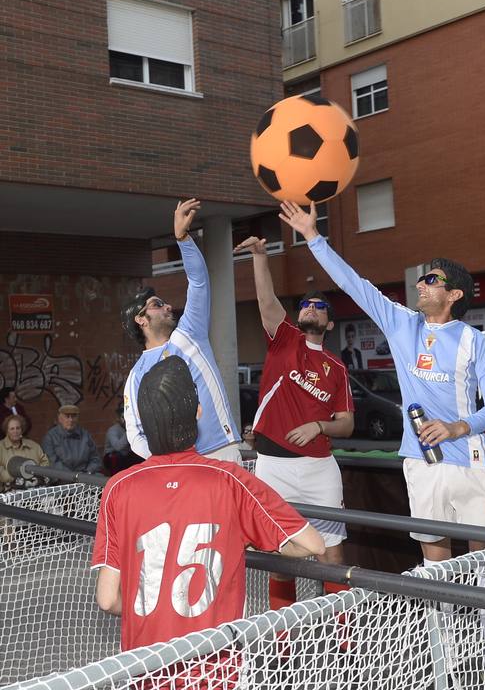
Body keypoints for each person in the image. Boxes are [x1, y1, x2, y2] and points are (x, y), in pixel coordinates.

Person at [91, 356, 324, 690]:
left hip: (147, 667)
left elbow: (107, 599)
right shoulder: (229, 478)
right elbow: (309, 543)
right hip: (217, 669)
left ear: (142, 423)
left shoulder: (119, 487)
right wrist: (245, 541)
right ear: (197, 413)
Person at [279, 201, 485, 567]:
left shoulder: (474, 340)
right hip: (421, 461)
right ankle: (440, 608)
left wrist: (457, 427)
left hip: (472, 462)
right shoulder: (402, 323)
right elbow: (353, 284)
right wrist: (312, 236)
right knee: (436, 567)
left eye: (431, 280)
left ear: (454, 294)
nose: (420, 284)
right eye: (421, 279)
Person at [232, 235, 354, 615]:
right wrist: (260, 256)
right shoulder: (284, 339)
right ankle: (283, 637)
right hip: (274, 467)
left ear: (329, 322)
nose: (311, 308)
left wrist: (319, 426)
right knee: (281, 556)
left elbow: (347, 424)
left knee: (331, 556)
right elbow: (266, 300)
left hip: (320, 469)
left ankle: (343, 638)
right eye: (305, 304)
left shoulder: (337, 368)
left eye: (319, 306)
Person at [122, 198, 240, 463]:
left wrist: (183, 238)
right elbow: (135, 434)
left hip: (220, 451)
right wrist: (168, 462)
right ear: (140, 320)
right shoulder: (136, 375)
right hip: (178, 465)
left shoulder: (189, 333)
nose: (167, 306)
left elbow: (198, 282)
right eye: (157, 304)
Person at [42, 405, 102, 474]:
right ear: (59, 418)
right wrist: (72, 476)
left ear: (78, 418)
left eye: (73, 416)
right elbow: (53, 462)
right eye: (67, 416)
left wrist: (88, 471)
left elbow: (95, 459)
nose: (71, 420)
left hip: (85, 475)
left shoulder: (85, 435)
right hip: (61, 476)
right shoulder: (50, 437)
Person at [0, 415, 49, 492]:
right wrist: (17, 477)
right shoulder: (1, 447)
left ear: (22, 430)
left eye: (18, 428)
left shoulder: (34, 446)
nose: (15, 431)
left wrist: (35, 475)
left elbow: (45, 464)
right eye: (12, 429)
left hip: (34, 489)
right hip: (9, 492)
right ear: (7, 431)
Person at [104, 405, 141, 474]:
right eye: (123, 417)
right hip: (113, 455)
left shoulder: (133, 428)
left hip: (127, 454)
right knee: (117, 457)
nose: (126, 420)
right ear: (118, 418)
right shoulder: (113, 430)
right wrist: (129, 431)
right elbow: (117, 447)